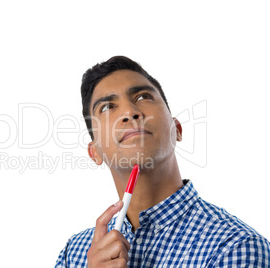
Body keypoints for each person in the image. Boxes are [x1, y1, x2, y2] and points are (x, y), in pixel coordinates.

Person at [55, 56, 270, 267]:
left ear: (176, 129)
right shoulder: (73, 254)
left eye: (142, 97)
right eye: (107, 107)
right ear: (95, 153)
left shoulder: (236, 247)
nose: (129, 112)